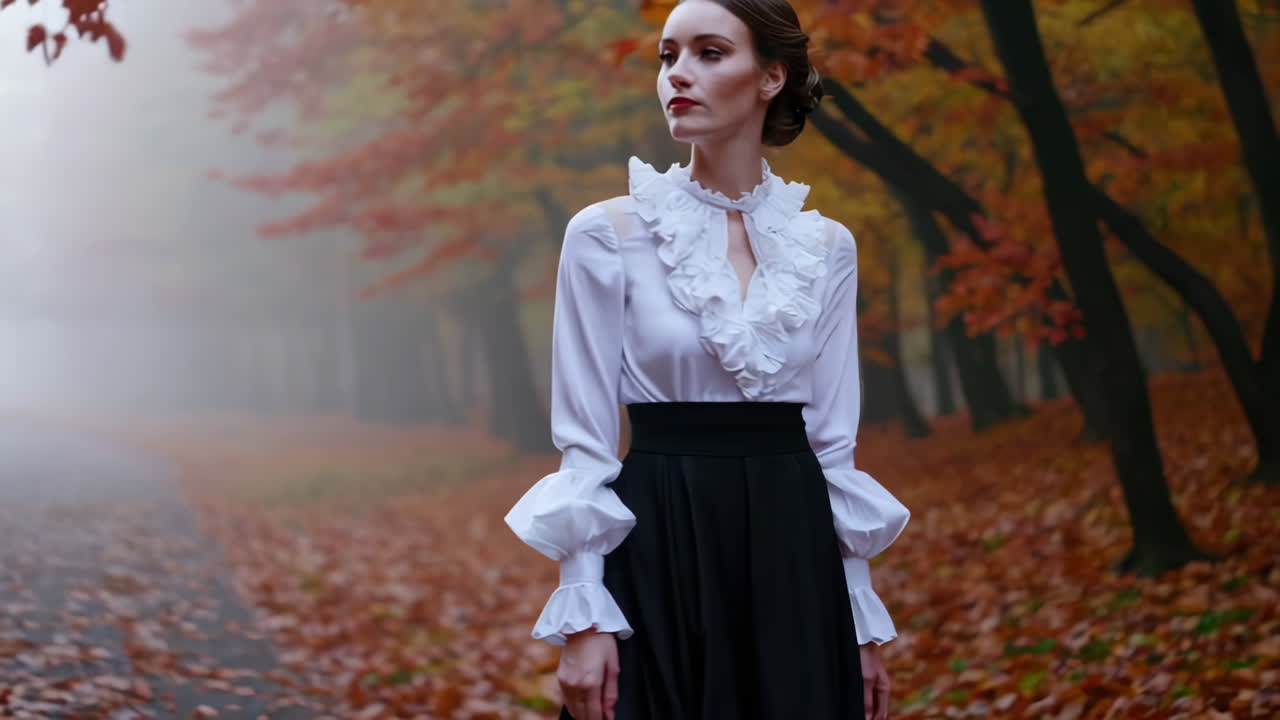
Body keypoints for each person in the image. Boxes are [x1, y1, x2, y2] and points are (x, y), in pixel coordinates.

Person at [503, 1, 911, 718]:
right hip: (662, 539)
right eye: (668, 56)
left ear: (771, 77)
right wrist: (585, 615)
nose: (678, 75)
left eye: (709, 53)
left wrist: (858, 619)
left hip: (794, 550)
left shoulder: (827, 247)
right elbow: (585, 445)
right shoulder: (607, 234)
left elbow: (834, 449)